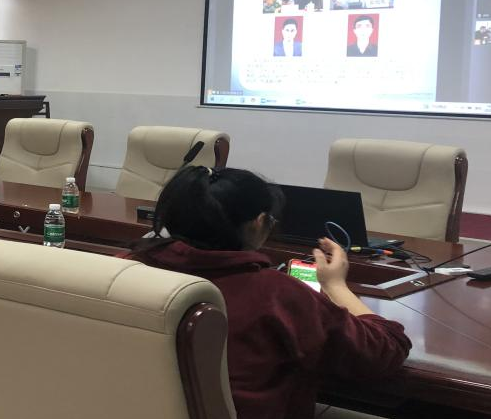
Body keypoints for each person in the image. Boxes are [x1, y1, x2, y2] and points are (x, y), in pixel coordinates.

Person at [127, 166, 410, 418]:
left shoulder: (121, 271)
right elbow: (384, 351)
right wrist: (336, 286)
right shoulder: (275, 294)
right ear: (259, 222)